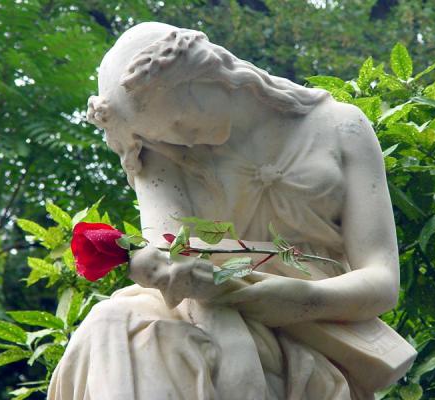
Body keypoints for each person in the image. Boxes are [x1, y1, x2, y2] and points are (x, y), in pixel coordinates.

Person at [49, 22, 402, 400]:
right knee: (111, 325)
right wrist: (156, 265)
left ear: (207, 74)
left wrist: (297, 298)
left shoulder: (339, 126)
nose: (180, 139)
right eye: (162, 135)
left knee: (162, 349)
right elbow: (172, 255)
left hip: (310, 321)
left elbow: (382, 281)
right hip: (201, 308)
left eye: (180, 121)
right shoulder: (160, 150)